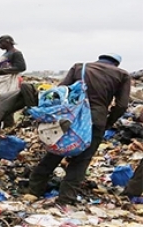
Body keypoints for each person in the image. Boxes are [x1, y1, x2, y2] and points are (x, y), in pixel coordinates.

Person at [28, 54, 130, 205]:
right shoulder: (122, 75)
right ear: (116, 63)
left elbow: (60, 91)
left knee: (55, 152)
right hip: (96, 121)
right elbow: (122, 105)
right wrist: (108, 122)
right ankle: (65, 199)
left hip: (71, 118)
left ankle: (34, 191)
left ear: (99, 59)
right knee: (81, 161)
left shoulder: (79, 67)